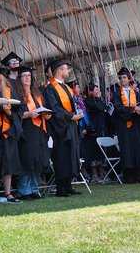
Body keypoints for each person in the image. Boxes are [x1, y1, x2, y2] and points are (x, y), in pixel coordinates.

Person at [43, 59, 84, 197]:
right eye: (66, 69)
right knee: (62, 157)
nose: (68, 71)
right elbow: (54, 108)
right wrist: (70, 116)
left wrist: (77, 114)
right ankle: (61, 188)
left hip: (71, 125)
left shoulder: (66, 87)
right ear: (59, 71)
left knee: (71, 156)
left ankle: (68, 186)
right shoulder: (50, 88)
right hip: (60, 128)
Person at [15, 66, 51, 199]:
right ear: (19, 79)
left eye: (28, 76)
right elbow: (16, 114)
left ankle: (34, 189)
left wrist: (46, 114)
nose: (26, 78)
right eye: (23, 76)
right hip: (26, 130)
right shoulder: (18, 95)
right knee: (27, 160)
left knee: (37, 160)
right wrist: (29, 114)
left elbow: (42, 108)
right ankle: (24, 190)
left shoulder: (37, 94)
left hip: (39, 130)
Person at [0, 65, 22, 204]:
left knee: (8, 162)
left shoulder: (10, 91)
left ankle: (8, 193)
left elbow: (17, 112)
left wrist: (8, 112)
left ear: (0, 77)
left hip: (8, 130)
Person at [111, 68, 140, 184]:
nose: (122, 80)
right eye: (121, 78)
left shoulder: (135, 92)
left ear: (129, 79)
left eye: (124, 77)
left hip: (136, 124)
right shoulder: (117, 93)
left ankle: (139, 175)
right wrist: (132, 109)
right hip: (124, 125)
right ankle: (128, 176)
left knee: (138, 148)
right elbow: (118, 108)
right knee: (127, 150)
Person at [81, 83, 107, 183]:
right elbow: (100, 108)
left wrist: (100, 100)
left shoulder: (98, 100)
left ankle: (101, 172)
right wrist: (100, 99)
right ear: (90, 91)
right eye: (96, 89)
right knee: (94, 152)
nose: (98, 91)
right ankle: (94, 174)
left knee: (101, 151)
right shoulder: (88, 101)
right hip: (92, 130)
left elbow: (103, 107)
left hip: (101, 128)